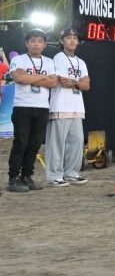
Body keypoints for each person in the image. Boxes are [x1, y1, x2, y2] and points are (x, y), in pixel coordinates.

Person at [7, 28, 56, 192]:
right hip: (22, 106)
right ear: (26, 43)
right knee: (21, 143)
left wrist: (29, 78)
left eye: (40, 41)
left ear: (45, 44)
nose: (36, 44)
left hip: (42, 107)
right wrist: (43, 76)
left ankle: (27, 176)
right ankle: (13, 178)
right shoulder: (19, 59)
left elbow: (53, 83)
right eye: (33, 41)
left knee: (35, 144)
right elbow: (18, 78)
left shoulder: (49, 62)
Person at [45, 27, 91, 187]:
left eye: (74, 38)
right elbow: (62, 81)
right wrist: (77, 82)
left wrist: (74, 82)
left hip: (77, 107)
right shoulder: (59, 57)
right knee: (56, 143)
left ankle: (71, 173)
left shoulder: (81, 62)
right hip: (60, 105)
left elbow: (87, 85)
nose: (72, 40)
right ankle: (54, 175)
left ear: (78, 41)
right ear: (61, 41)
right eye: (68, 37)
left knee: (77, 142)